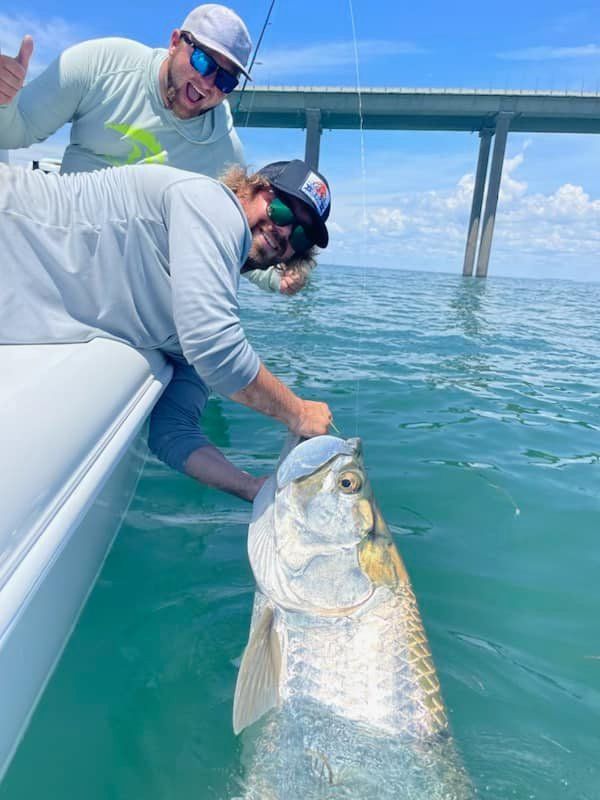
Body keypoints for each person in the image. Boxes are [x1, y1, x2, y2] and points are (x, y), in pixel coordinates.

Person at [0, 158, 334, 501]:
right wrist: (298, 412)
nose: (283, 230)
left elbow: (173, 433)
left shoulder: (197, 304)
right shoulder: (209, 202)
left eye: (300, 233)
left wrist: (252, 488)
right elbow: (216, 348)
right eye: (280, 210)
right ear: (250, 188)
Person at [0, 4, 307, 296]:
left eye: (226, 80)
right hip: (52, 242)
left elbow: (230, 238)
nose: (208, 82)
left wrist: (273, 279)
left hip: (124, 288)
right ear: (175, 42)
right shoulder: (102, 63)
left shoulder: (225, 155)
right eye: (203, 61)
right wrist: (3, 100)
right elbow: (16, 130)